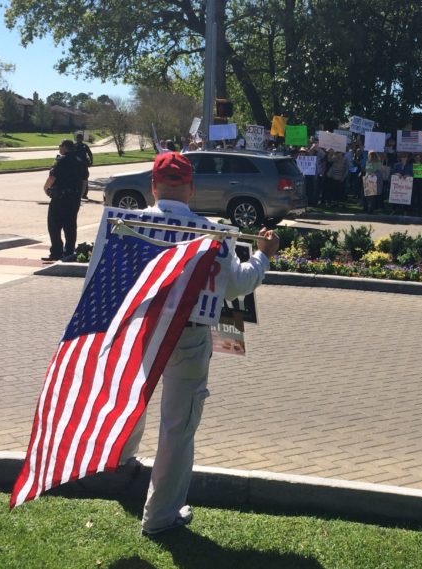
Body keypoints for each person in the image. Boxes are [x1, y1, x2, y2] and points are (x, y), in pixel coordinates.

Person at [120, 151, 280, 537]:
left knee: (130, 401)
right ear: (190, 188)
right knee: (178, 427)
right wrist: (264, 254)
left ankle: (120, 464)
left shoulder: (126, 226)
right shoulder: (213, 235)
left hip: (138, 330)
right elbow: (239, 284)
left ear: (154, 187)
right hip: (188, 337)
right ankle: (159, 516)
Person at [42, 139, 84, 262]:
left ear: (65, 147)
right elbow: (83, 181)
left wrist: (45, 188)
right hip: (74, 198)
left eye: (60, 146)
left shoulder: (61, 160)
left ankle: (56, 252)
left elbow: (52, 176)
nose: (59, 148)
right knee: (70, 226)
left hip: (60, 198)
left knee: (54, 225)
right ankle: (69, 252)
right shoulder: (79, 161)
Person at [74, 132, 93, 200]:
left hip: (83, 165)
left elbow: (90, 154)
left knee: (85, 180)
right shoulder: (74, 146)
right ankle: (79, 193)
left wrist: (91, 162)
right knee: (80, 180)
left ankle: (84, 194)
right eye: (79, 138)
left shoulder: (84, 146)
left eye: (80, 138)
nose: (79, 139)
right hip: (77, 166)